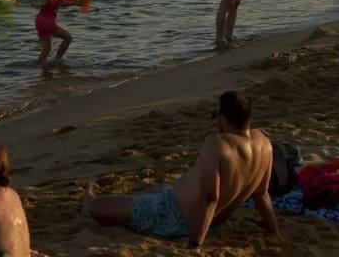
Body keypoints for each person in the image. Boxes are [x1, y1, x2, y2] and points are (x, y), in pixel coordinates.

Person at [83, 92, 277, 248]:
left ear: (224, 119)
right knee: (151, 192)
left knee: (98, 207)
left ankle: (88, 196)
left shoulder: (219, 144)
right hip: (212, 222)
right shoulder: (264, 144)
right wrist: (274, 231)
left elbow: (211, 198)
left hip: (175, 215)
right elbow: (261, 194)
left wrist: (195, 243)